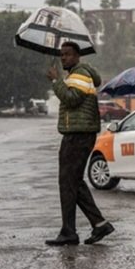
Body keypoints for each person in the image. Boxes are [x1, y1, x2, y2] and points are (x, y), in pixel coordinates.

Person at [45, 41, 115, 246]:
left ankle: (69, 232)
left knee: (68, 182)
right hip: (78, 134)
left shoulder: (80, 74)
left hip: (78, 135)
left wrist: (56, 80)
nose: (63, 58)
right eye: (61, 55)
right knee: (72, 182)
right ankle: (99, 224)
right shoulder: (78, 74)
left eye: (67, 54)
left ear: (77, 56)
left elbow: (72, 98)